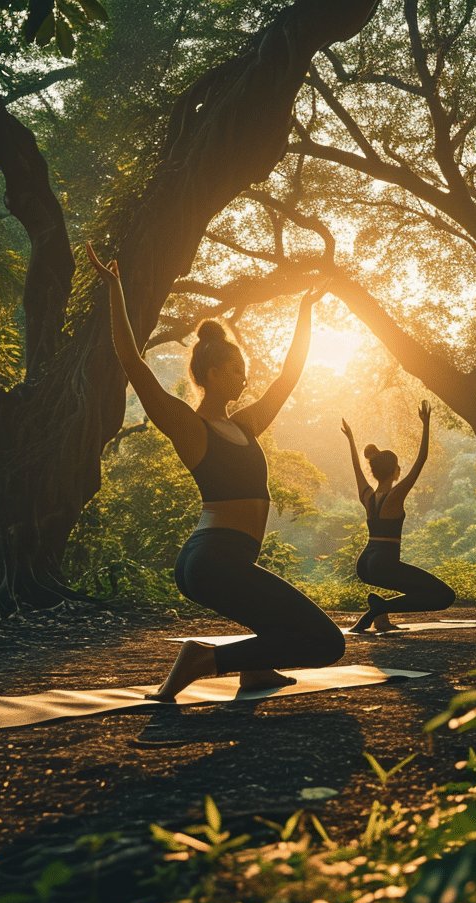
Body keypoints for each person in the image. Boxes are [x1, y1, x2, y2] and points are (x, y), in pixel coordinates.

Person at [86, 243, 344, 700]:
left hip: (226, 559)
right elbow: (133, 362)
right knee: (327, 643)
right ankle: (204, 658)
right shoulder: (190, 426)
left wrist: (305, 311)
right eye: (236, 370)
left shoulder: (244, 424)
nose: (245, 378)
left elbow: (288, 376)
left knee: (288, 627)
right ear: (212, 371)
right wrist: (115, 290)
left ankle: (256, 668)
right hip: (212, 560)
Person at [341, 401, 455, 633]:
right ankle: (378, 608)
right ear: (394, 471)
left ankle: (380, 612)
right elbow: (421, 460)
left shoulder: (367, 496)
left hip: (365, 564)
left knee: (419, 590)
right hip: (383, 562)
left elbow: (356, 468)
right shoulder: (394, 496)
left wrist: (351, 440)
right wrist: (426, 424)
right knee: (444, 596)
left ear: (373, 471)